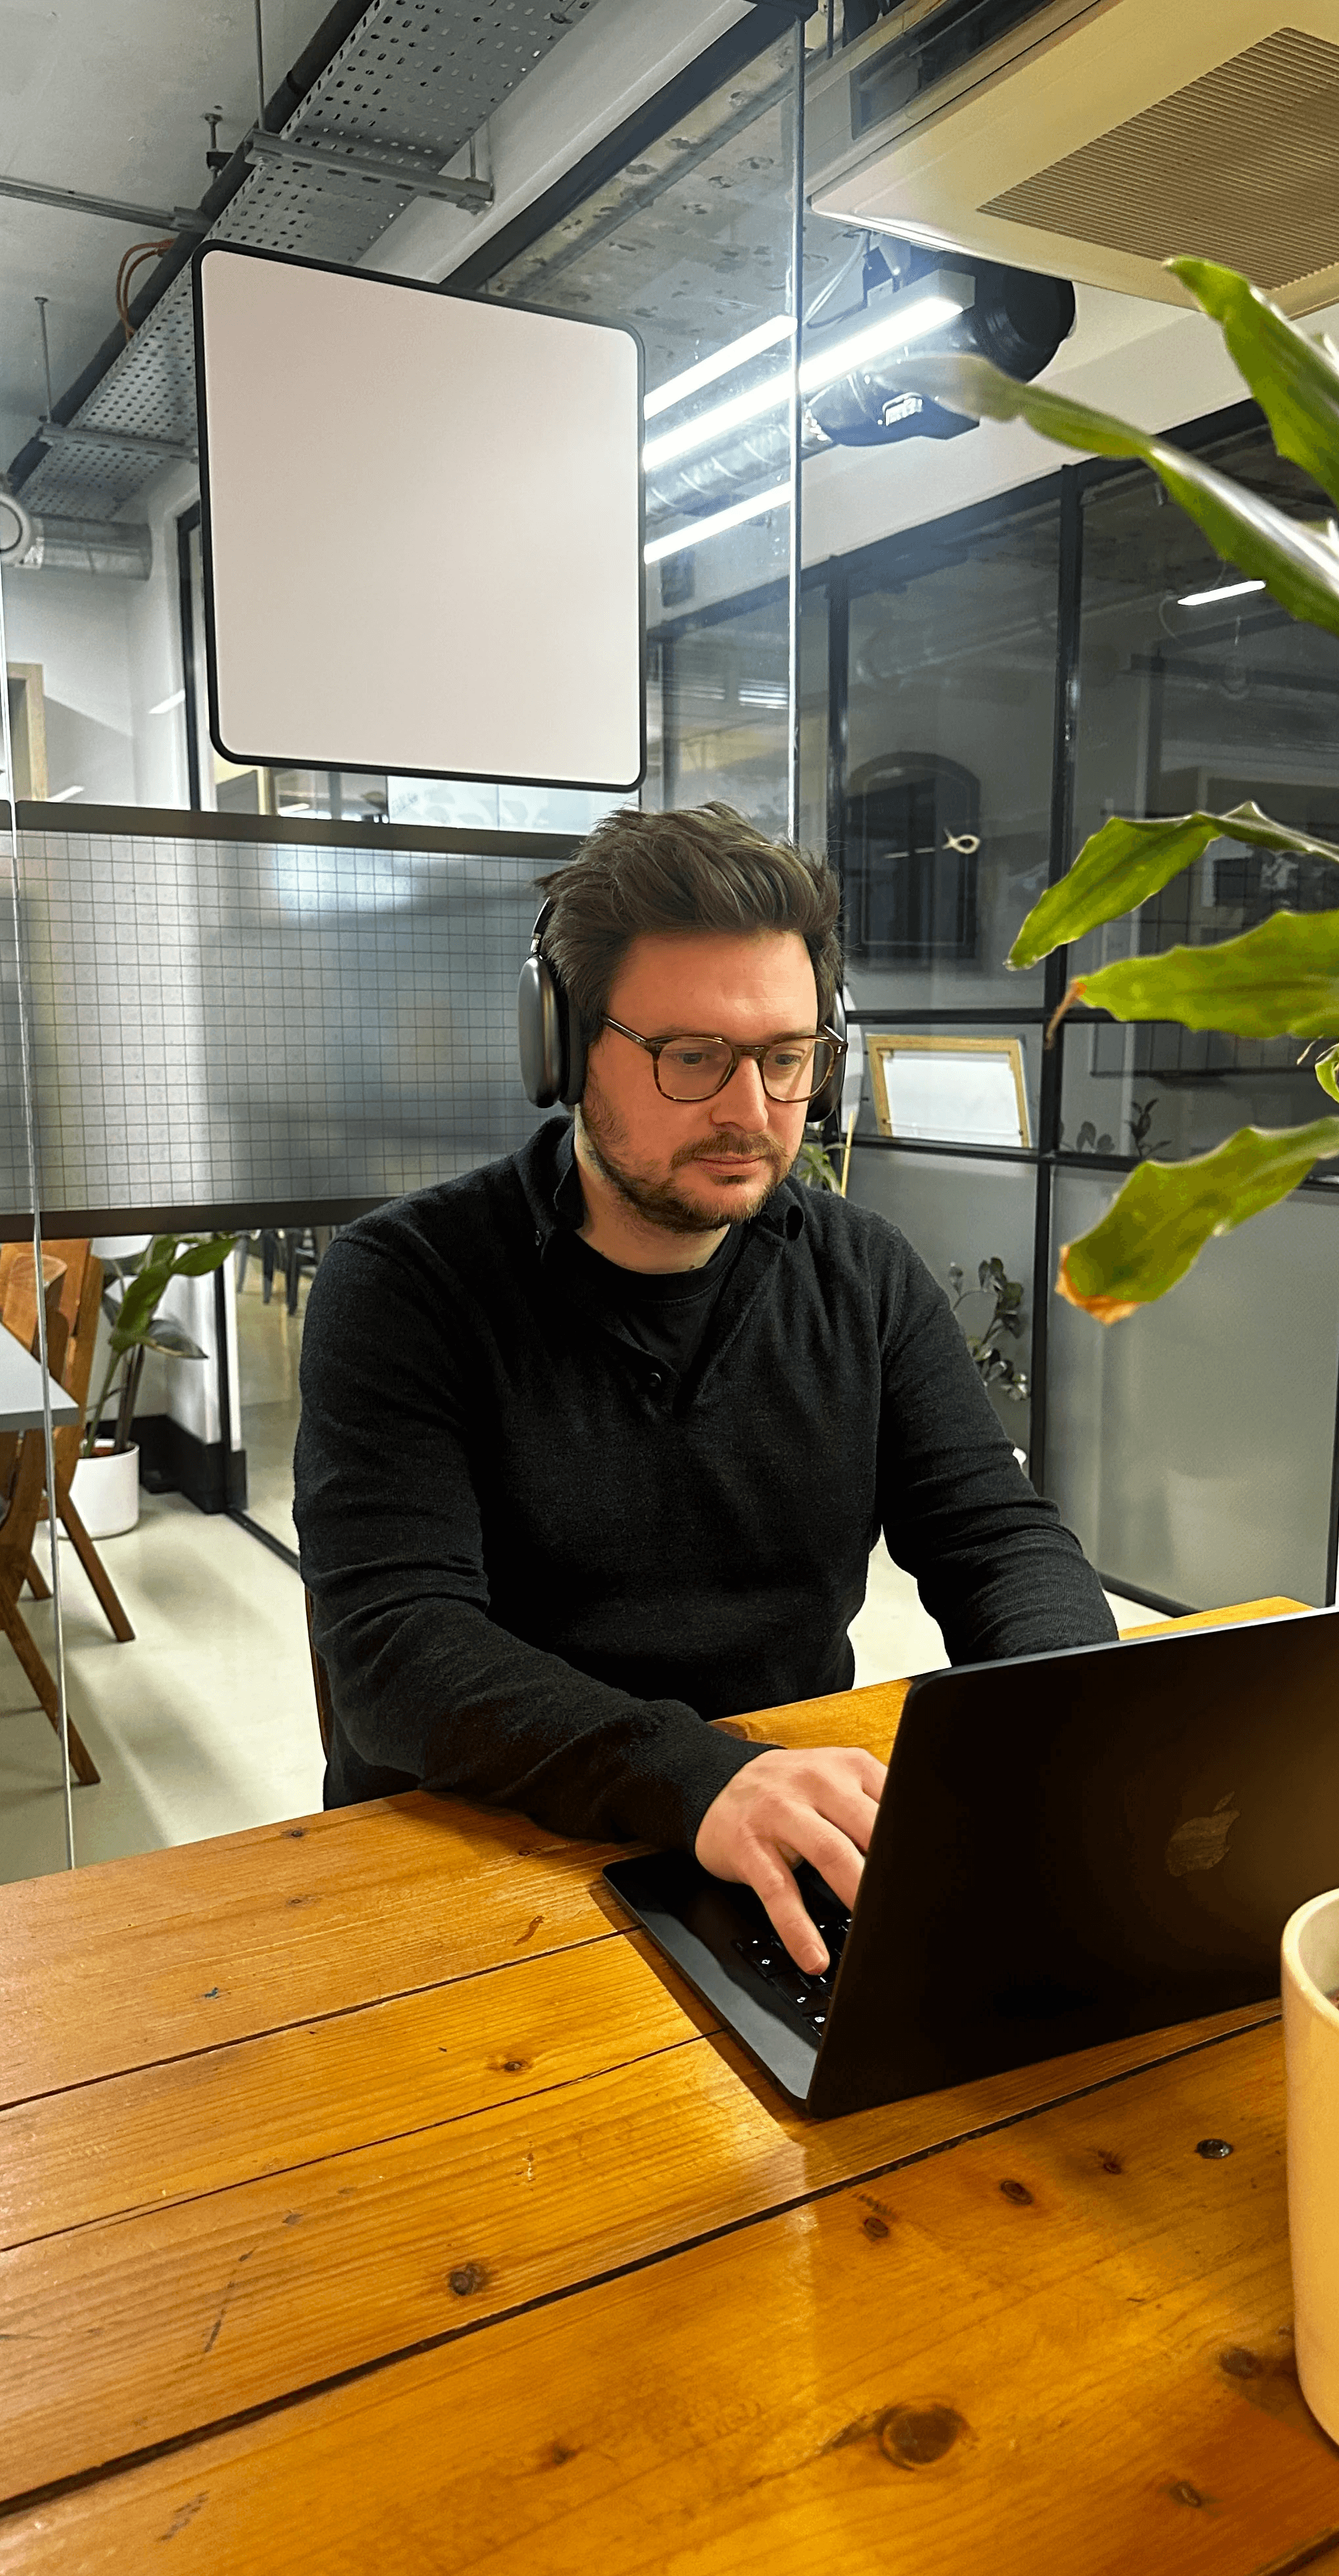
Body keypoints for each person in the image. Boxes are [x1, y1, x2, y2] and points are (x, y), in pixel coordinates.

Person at [295, 804, 1116, 1974]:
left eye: (785, 1059)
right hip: (481, 1847)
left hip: (771, 1829)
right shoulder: (408, 1283)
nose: (751, 1112)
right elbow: (392, 1647)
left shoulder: (861, 1270)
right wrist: (702, 1779)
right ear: (564, 1047)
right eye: (692, 1058)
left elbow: (993, 1538)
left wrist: (1072, 1722)